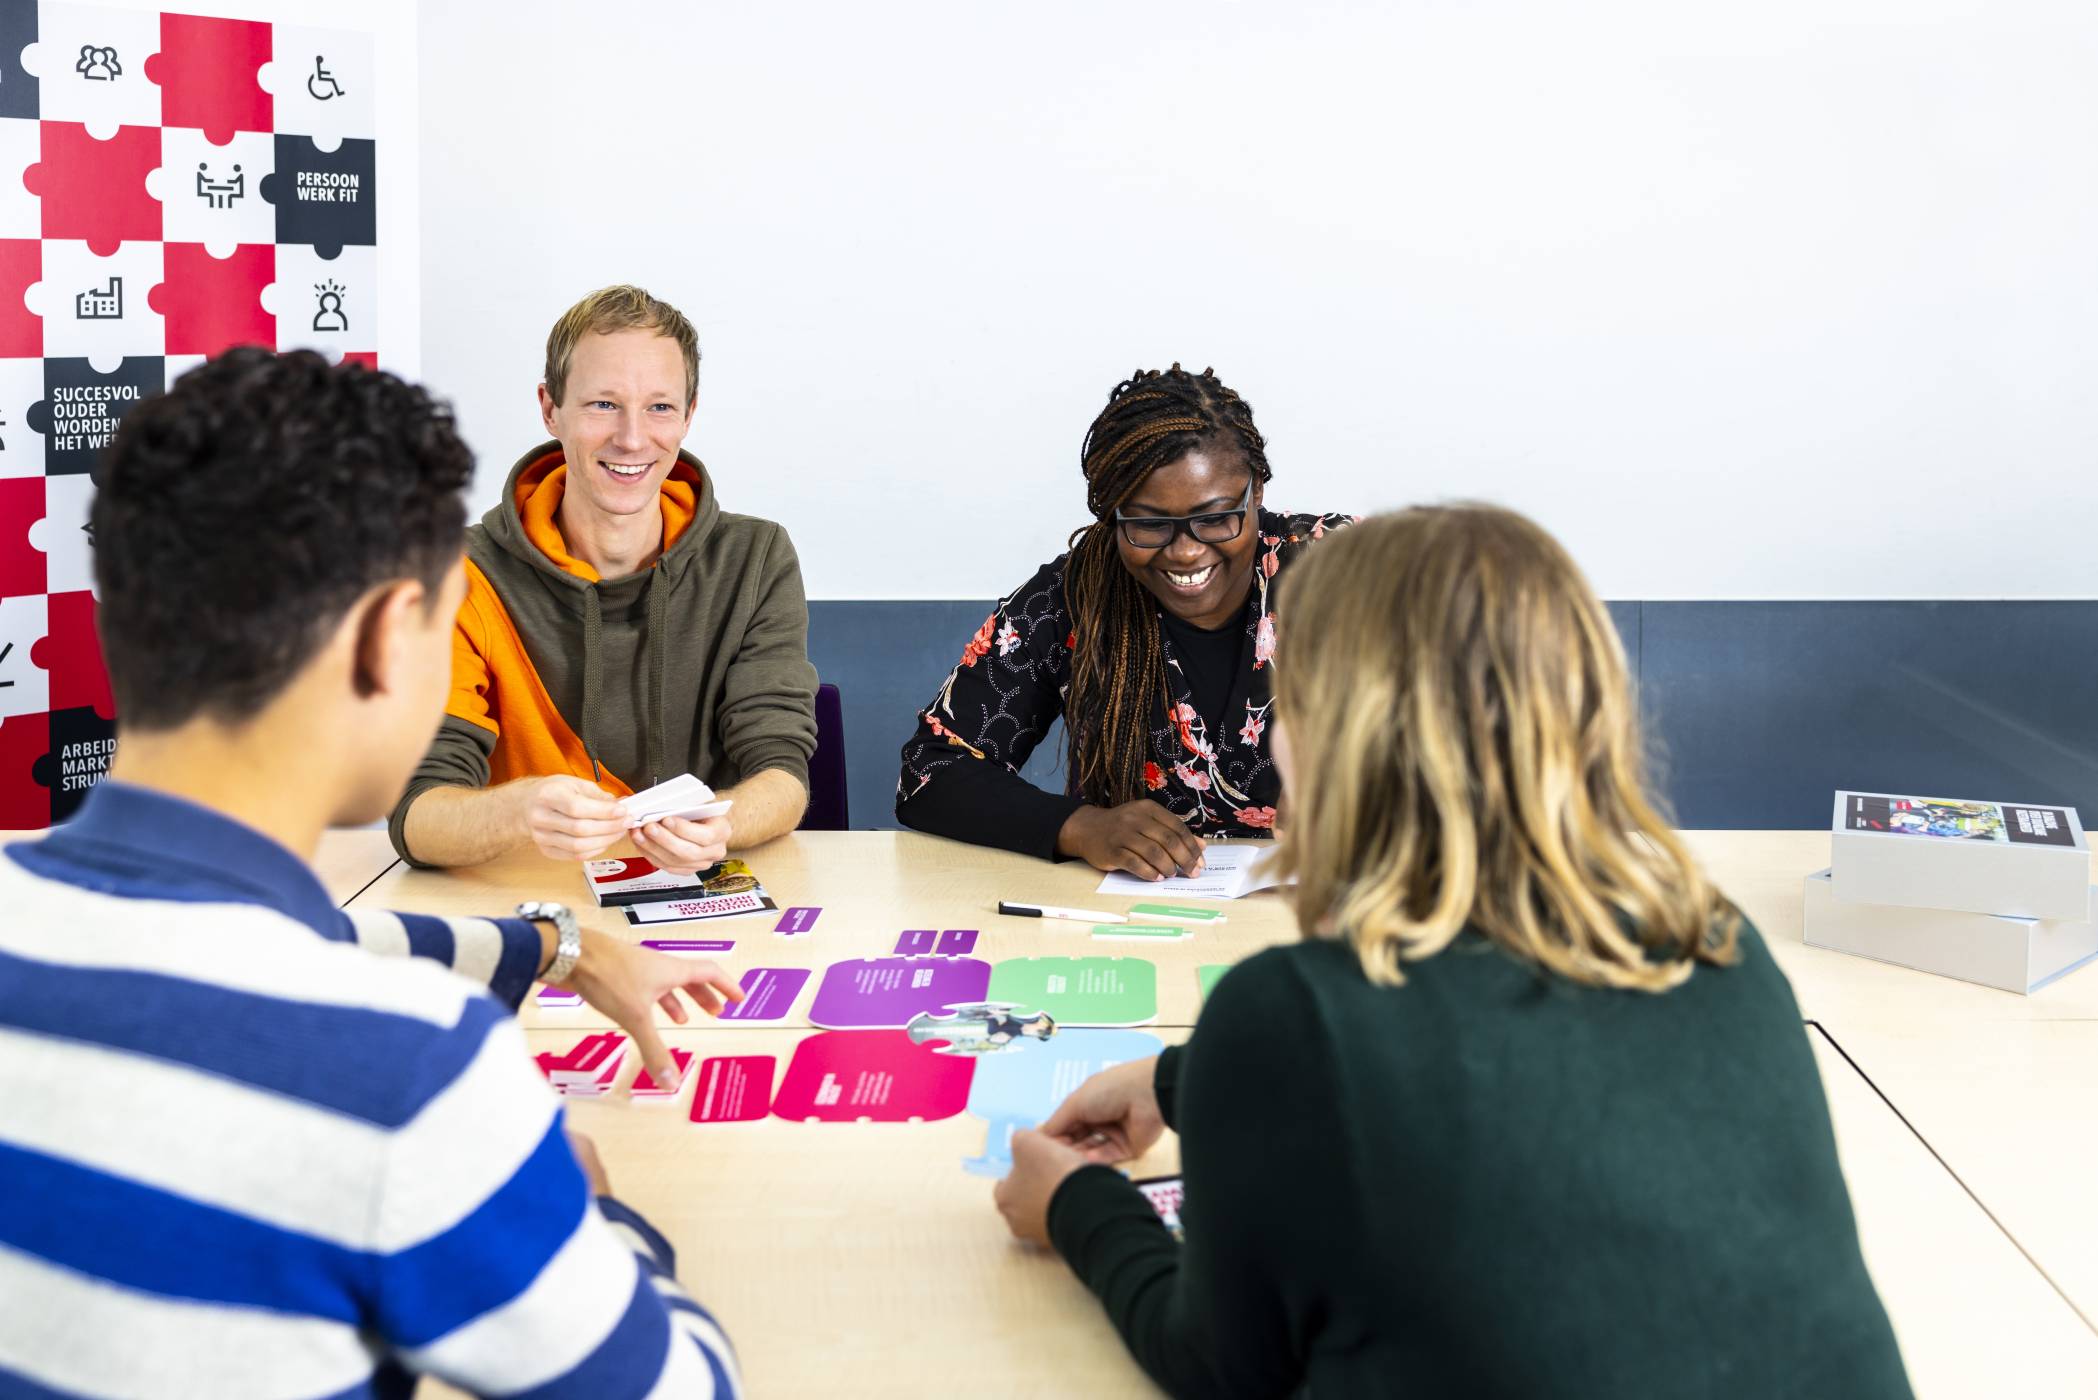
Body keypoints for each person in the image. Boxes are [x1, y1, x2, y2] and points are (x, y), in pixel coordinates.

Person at [992, 505, 1913, 1398]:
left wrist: (1075, 1205)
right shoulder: (1713, 939)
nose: (1272, 735)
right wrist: (1178, 1083)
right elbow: (1505, 1066)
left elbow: (1222, 1367)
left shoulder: (1292, 1013)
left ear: (1334, 738)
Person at [0, 349, 744, 1396]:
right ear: (389, 640)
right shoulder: (405, 1069)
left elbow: (271, 941)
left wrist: (557, 944)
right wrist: (589, 1211)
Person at [392, 285, 817, 874]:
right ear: (550, 409)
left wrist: (722, 821)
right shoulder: (453, 574)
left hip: (699, 896)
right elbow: (417, 816)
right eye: (603, 405)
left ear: (689, 415)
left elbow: (781, 772)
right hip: (522, 900)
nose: (633, 438)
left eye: (660, 407)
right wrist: (519, 811)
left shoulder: (754, 557)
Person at [896, 364, 1350, 879]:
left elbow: (1455, 728)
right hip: (1131, 923)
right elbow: (929, 771)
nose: (1185, 552)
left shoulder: (1346, 571)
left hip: (1330, 903)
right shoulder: (1073, 597)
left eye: (1216, 516)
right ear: (1111, 516)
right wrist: (1080, 827)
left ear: (1257, 492)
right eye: (1149, 524)